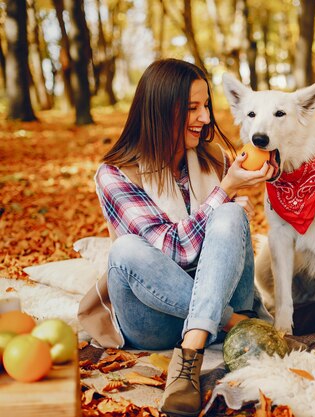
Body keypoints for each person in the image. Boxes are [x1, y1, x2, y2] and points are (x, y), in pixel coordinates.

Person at [92, 58, 274, 416]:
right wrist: (226, 190)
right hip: (153, 318)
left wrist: (245, 191)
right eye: (192, 108)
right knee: (126, 249)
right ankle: (234, 324)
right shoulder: (114, 174)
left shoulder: (215, 159)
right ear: (159, 110)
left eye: (205, 106)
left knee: (231, 213)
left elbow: (231, 238)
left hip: (219, 291)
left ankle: (189, 356)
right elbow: (176, 251)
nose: (205, 118)